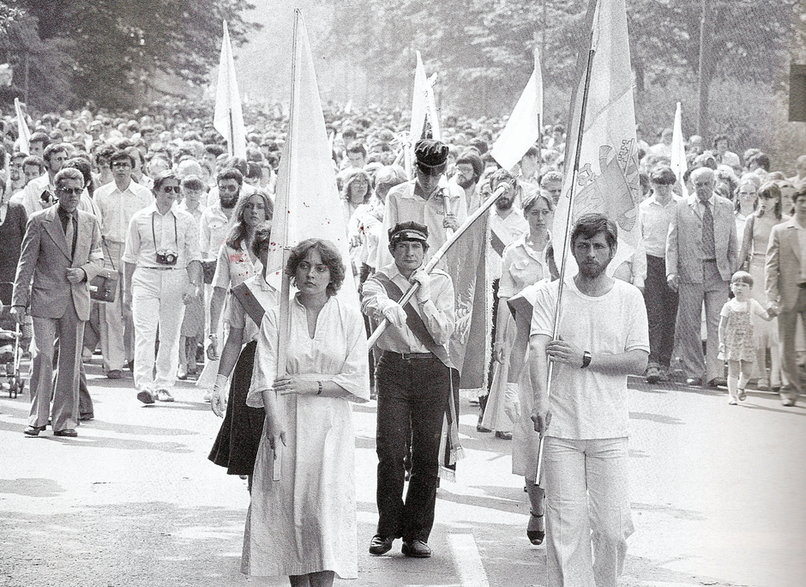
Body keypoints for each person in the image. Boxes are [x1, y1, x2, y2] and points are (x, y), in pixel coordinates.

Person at [529, 213, 649, 586]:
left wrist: (587, 359)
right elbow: (537, 347)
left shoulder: (629, 297)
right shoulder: (553, 293)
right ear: (573, 249)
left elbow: (640, 360)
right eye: (584, 246)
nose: (591, 254)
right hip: (561, 428)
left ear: (612, 251)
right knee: (567, 530)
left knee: (613, 530)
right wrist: (539, 399)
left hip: (609, 431)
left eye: (599, 246)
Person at [242, 239, 369, 585]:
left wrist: (309, 385)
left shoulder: (348, 317)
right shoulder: (277, 316)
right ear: (294, 272)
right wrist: (274, 419)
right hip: (287, 423)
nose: (311, 274)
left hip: (330, 425)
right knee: (291, 510)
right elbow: (265, 372)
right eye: (304, 266)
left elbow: (356, 381)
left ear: (333, 275)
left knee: (323, 511)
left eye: (320, 268)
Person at [361, 221, 456, 559]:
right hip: (394, 369)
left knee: (426, 456)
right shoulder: (378, 281)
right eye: (403, 246)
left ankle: (416, 533)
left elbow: (444, 333)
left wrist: (426, 299)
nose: (410, 252)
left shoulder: (441, 282)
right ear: (392, 249)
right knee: (390, 451)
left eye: (417, 247)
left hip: (431, 370)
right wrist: (387, 306)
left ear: (425, 250)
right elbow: (371, 302)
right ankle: (386, 528)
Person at [11, 168, 104, 437]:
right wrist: (19, 302)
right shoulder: (39, 221)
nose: (73, 195)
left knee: (71, 362)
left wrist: (85, 272)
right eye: (67, 190)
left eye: (78, 190)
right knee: (42, 355)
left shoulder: (90, 221)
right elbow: (26, 262)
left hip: (76, 299)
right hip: (44, 297)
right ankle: (37, 418)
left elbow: (98, 259)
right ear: (56, 191)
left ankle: (65, 421)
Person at [489, 191, 556, 544]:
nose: (541, 217)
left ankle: (561, 513)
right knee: (532, 443)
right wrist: (512, 385)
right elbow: (509, 307)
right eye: (535, 212)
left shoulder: (563, 247)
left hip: (563, 363)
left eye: (547, 212)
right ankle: (536, 509)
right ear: (526, 214)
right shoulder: (515, 251)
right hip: (529, 349)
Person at [122, 171, 203, 404]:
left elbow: (194, 256)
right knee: (145, 333)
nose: (173, 194)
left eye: (176, 189)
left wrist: (193, 284)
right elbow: (129, 257)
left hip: (175, 278)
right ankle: (145, 384)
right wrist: (127, 290)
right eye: (167, 189)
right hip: (146, 277)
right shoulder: (140, 218)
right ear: (155, 191)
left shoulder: (187, 219)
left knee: (170, 334)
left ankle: (164, 384)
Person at [208, 222, 277, 483]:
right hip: (253, 364)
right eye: (267, 248)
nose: (274, 255)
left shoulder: (299, 290)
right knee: (253, 455)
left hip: (287, 365)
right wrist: (219, 385)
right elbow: (235, 339)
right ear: (257, 253)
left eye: (280, 249)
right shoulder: (245, 291)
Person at [666, 167, 739, 387]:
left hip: (719, 272)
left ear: (714, 183)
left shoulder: (726, 207)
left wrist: (733, 271)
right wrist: (671, 271)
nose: (703, 188)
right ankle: (694, 370)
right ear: (692, 185)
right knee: (690, 323)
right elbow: (671, 242)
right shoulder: (681, 207)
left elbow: (732, 242)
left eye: (707, 183)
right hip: (690, 272)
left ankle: (715, 372)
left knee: (718, 322)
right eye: (698, 184)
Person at [203, 191, 273, 392]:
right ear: (242, 210)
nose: (254, 211)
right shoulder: (230, 247)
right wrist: (212, 334)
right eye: (250, 206)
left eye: (260, 206)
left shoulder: (276, 246)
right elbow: (218, 291)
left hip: (266, 320)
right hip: (238, 317)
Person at [92, 150, 153, 378]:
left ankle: (134, 357)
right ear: (110, 167)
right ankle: (113, 363)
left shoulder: (144, 195)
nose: (120, 169)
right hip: (108, 252)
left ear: (133, 168)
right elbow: (95, 227)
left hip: (136, 255)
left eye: (125, 165)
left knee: (134, 307)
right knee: (108, 311)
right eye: (116, 164)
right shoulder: (100, 194)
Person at [478, 169, 529, 436]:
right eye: (498, 188)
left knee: (509, 348)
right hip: (486, 284)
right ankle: (486, 407)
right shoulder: (483, 216)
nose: (503, 194)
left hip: (510, 287)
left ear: (515, 189)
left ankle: (507, 415)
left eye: (507, 188)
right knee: (487, 347)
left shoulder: (524, 221)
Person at [375, 139, 467, 269]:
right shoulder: (396, 195)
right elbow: (387, 242)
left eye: (435, 176)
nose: (429, 181)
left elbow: (465, 244)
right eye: (424, 175)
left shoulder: (455, 194)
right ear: (415, 168)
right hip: (407, 274)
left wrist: (457, 228)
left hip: (442, 272)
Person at [739, 182, 788, 391]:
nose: (764, 201)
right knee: (758, 325)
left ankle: (776, 375)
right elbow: (744, 250)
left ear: (777, 199)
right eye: (762, 197)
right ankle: (761, 375)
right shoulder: (752, 219)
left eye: (769, 197)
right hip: (756, 272)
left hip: (776, 274)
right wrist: (737, 274)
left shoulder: (784, 221)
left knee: (775, 326)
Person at [638, 166, 680, 383]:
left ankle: (665, 362)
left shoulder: (680, 205)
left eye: (667, 185)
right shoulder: (643, 208)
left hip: (674, 264)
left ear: (673, 184)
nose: (663, 189)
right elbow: (639, 241)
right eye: (659, 185)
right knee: (654, 313)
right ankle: (652, 362)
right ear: (652, 185)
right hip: (651, 262)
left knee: (670, 315)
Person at [766, 186, 806, 407]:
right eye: (802, 201)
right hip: (789, 292)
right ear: (795, 203)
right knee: (786, 343)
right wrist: (771, 295)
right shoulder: (781, 230)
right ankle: (788, 389)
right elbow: (771, 267)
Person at [717, 271, 775, 405]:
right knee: (733, 370)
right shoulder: (728, 306)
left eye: (743, 285)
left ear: (750, 289)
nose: (739, 288)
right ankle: (732, 396)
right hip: (732, 342)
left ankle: (740, 387)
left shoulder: (752, 304)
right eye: (736, 285)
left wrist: (773, 311)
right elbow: (721, 326)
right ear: (731, 287)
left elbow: (766, 316)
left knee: (747, 371)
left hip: (748, 342)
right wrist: (721, 342)